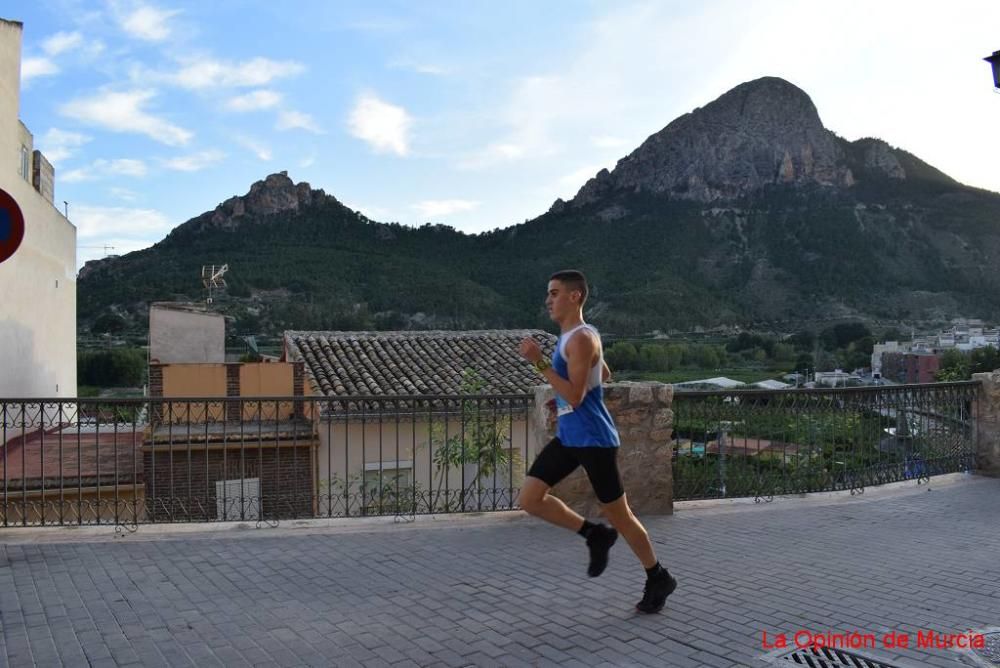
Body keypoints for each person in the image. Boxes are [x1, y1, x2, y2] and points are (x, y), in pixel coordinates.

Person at [517, 270, 677, 614]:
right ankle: (594, 534)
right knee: (530, 498)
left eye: (555, 293)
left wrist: (539, 363)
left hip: (594, 440)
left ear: (575, 296)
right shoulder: (572, 337)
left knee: (620, 515)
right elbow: (601, 374)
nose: (548, 299)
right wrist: (559, 398)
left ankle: (658, 576)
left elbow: (576, 394)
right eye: (548, 293)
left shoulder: (580, 339)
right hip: (571, 437)